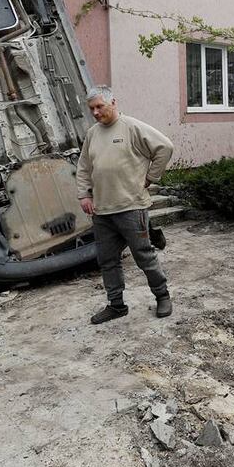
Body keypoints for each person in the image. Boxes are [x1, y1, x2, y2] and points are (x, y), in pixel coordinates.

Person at [75, 86, 175, 324]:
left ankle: (162, 296)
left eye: (100, 106)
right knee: (107, 260)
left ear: (113, 103)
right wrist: (84, 195)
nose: (96, 113)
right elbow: (83, 167)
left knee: (144, 256)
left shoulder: (132, 127)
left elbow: (165, 148)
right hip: (102, 211)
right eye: (92, 109)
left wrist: (152, 177)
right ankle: (116, 305)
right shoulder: (92, 134)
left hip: (131, 207)